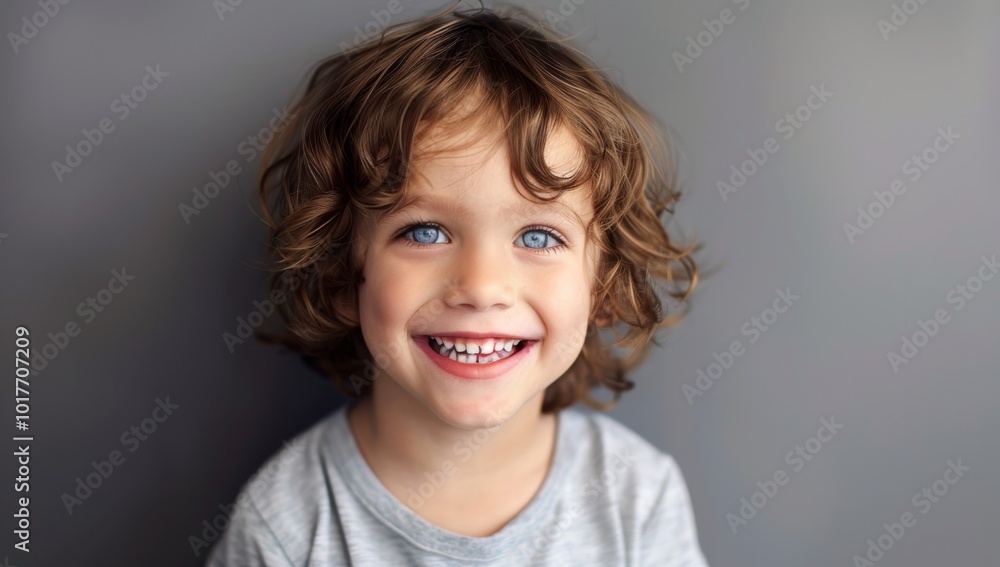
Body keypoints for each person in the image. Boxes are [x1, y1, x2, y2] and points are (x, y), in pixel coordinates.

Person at [207, 2, 708, 565]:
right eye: (424, 231)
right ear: (344, 276)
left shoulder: (636, 495)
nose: (482, 285)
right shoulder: (288, 523)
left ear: (605, 287)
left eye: (539, 237)